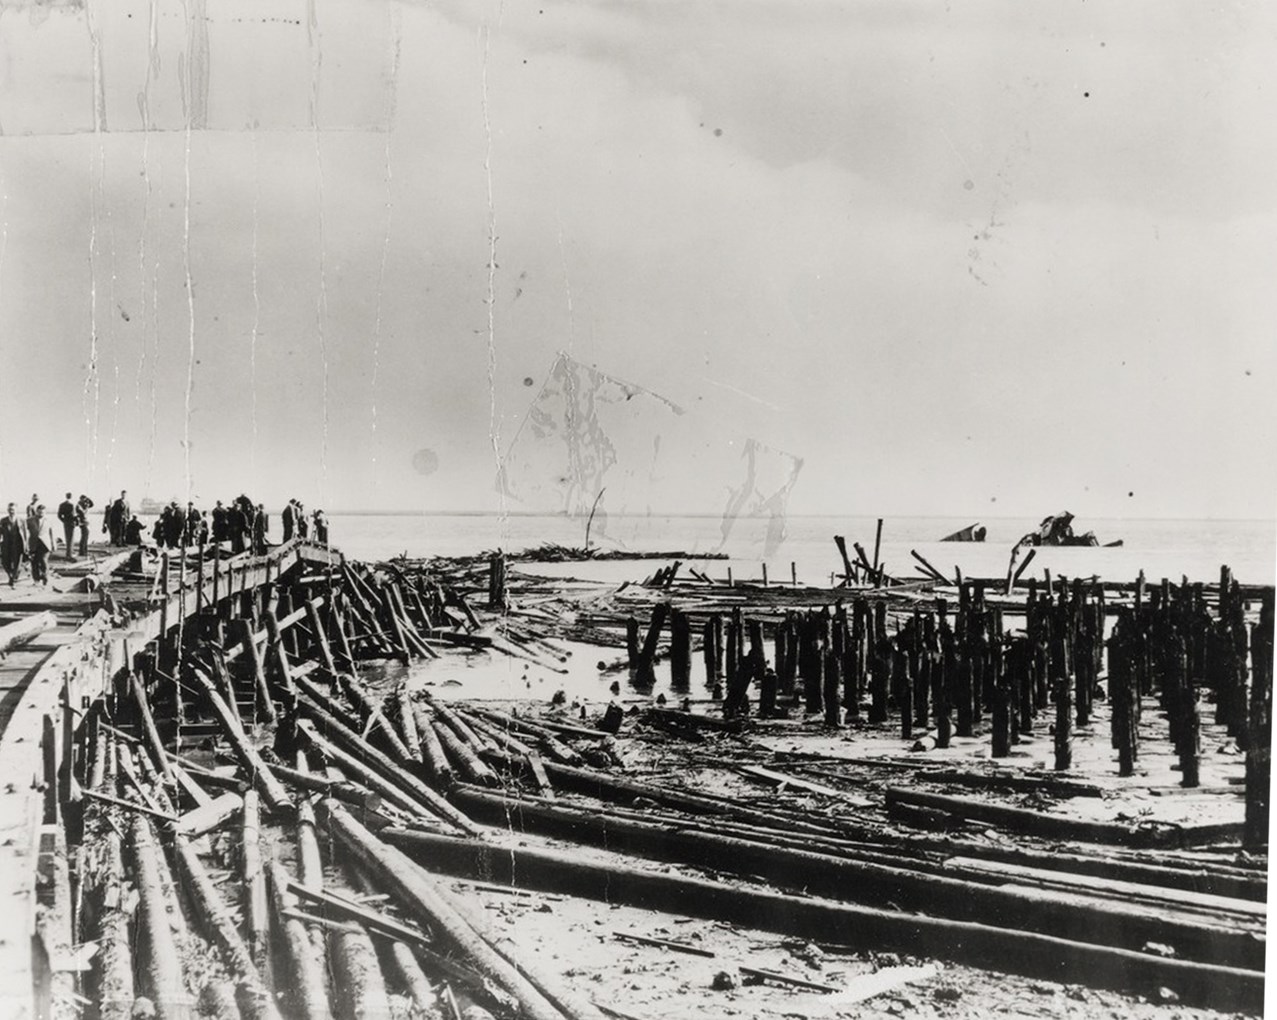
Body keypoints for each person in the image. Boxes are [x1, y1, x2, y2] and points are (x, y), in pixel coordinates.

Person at [27, 505, 57, 586]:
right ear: (36, 511)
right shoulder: (29, 520)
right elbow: (26, 532)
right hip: (34, 543)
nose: (41, 513)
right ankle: (36, 579)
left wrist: (53, 544)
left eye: (43, 512)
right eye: (39, 512)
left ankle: (45, 578)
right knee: (34, 562)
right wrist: (26, 544)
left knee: (44, 561)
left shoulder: (48, 520)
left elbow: (52, 533)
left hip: (45, 544)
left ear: (45, 512)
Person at [0, 503, 26, 587]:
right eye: (10, 510)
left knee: (17, 563)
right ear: (7, 510)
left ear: (16, 510)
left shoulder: (22, 520)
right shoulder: (3, 520)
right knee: (5, 562)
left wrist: (26, 545)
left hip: (18, 545)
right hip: (6, 545)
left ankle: (13, 579)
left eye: (13, 510)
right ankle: (10, 574)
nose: (11, 511)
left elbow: (25, 534)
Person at [57, 492, 76, 560]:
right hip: (71, 522)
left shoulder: (62, 505)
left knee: (67, 538)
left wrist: (64, 520)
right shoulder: (72, 505)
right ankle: (69, 554)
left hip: (66, 522)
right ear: (71, 497)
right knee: (71, 538)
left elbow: (59, 515)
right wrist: (76, 521)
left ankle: (69, 553)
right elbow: (73, 515)